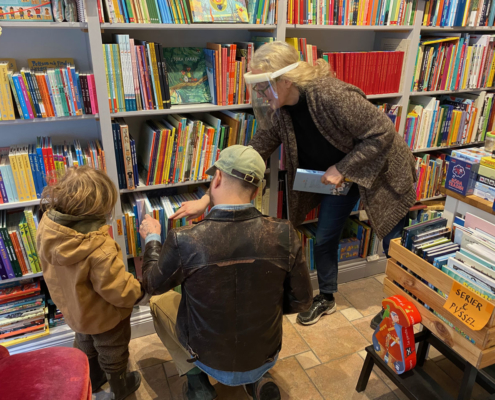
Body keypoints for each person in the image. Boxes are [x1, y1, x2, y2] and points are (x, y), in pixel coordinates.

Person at [170, 41, 417, 327]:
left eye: (264, 85)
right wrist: (206, 199)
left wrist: (343, 167)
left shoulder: (332, 95)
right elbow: (254, 151)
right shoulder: (282, 109)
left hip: (381, 170)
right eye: (257, 86)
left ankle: (399, 306)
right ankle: (326, 298)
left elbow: (382, 133)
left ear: (286, 80)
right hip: (340, 177)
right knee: (324, 237)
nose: (260, 93)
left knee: (394, 244)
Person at [138, 145, 313, 400]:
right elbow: (302, 301)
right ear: (255, 192)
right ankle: (257, 379)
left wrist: (152, 238)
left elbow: (151, 285)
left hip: (207, 357)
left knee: (159, 301)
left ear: (217, 178)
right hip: (264, 354)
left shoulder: (184, 239)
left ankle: (197, 382)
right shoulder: (284, 233)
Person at [37, 167, 147, 400]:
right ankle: (120, 385)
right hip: (105, 316)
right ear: (101, 210)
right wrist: (138, 289)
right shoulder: (100, 249)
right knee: (112, 349)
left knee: (85, 341)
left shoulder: (46, 229)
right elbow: (118, 289)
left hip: (74, 310)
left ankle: (92, 377)